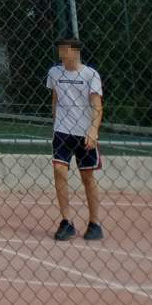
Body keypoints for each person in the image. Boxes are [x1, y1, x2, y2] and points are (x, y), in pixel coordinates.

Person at [47, 37, 104, 241]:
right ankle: (66, 221)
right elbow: (55, 99)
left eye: (65, 49)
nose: (61, 53)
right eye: (60, 49)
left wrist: (93, 130)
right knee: (58, 169)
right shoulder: (54, 73)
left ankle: (95, 223)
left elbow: (97, 105)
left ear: (76, 51)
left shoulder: (90, 74)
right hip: (62, 131)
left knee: (87, 177)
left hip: (84, 132)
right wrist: (56, 121)